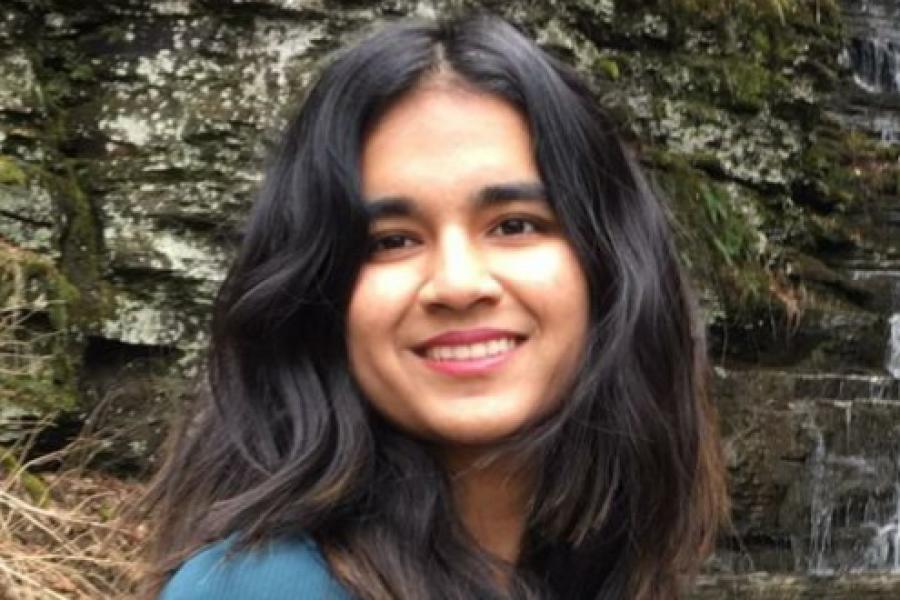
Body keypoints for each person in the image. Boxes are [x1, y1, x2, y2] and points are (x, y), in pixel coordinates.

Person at [141, 12, 728, 600]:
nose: (457, 283)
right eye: (391, 240)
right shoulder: (262, 586)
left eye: (515, 225)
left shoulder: (577, 575)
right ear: (317, 302)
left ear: (608, 269)